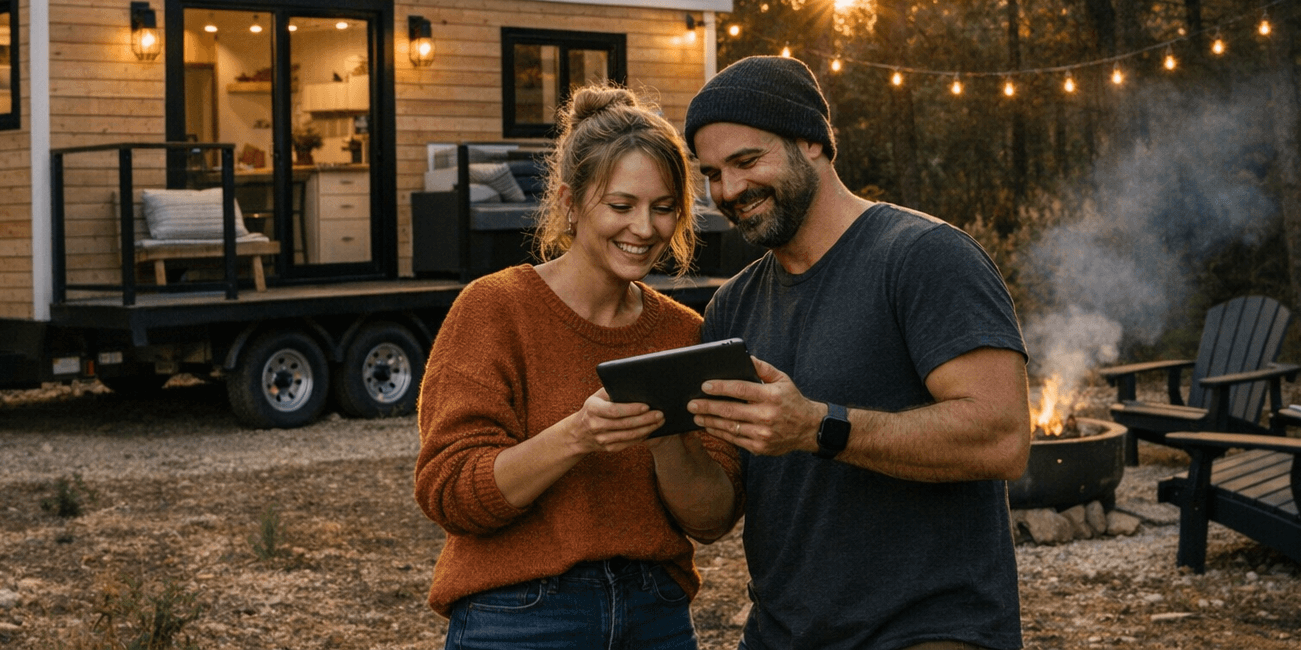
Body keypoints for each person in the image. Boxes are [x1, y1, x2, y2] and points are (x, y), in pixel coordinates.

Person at [682, 55, 1032, 650]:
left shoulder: (925, 257)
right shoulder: (730, 309)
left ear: (811, 142)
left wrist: (819, 427)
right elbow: (715, 517)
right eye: (712, 173)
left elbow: (1002, 437)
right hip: (780, 635)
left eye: (747, 161)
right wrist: (659, 429)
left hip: (929, 633)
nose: (729, 190)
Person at [414, 84, 744, 650]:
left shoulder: (683, 334)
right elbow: (450, 494)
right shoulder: (495, 309)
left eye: (664, 208)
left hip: (655, 614)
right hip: (520, 614)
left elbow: (712, 520)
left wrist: (669, 438)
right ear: (569, 202)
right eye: (621, 206)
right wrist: (577, 435)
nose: (644, 228)